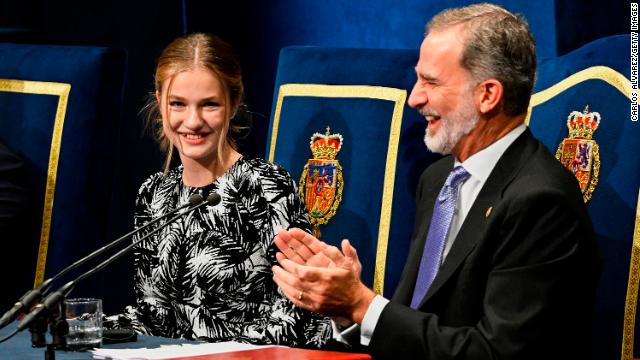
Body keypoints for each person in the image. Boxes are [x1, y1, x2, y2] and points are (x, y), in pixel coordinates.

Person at [271, 3, 600, 359]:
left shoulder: (540, 201)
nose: (414, 98)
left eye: (430, 82)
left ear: (487, 95)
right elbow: (420, 322)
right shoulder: (438, 179)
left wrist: (363, 305)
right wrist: (345, 306)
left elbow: (497, 353)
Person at [117, 33, 331, 347]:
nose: (193, 121)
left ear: (232, 104)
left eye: (209, 105)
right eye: (178, 104)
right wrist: (82, 324)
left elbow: (296, 316)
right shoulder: (153, 194)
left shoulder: (267, 187)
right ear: (159, 102)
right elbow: (153, 315)